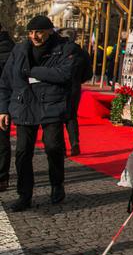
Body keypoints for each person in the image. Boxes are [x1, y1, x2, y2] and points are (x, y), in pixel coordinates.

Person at [0, 16, 77, 212]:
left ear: (50, 31)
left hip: (52, 104)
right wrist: (2, 108)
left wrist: (32, 71)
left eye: (39, 32)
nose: (34, 36)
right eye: (31, 32)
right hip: (24, 105)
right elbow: (6, 81)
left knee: (53, 147)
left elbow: (64, 74)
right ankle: (24, 195)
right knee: (23, 152)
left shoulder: (64, 48)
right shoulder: (19, 50)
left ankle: (57, 184)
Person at [60, 29, 92, 157]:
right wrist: (78, 80)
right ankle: (75, 143)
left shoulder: (59, 51)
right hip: (75, 87)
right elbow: (88, 73)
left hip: (59, 86)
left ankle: (61, 147)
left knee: (57, 118)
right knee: (71, 116)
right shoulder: (83, 53)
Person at [0, 24, 13, 192]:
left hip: (2, 100)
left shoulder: (9, 49)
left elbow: (9, 80)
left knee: (1, 140)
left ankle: (2, 177)